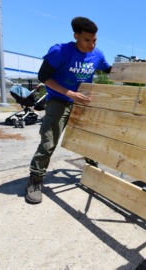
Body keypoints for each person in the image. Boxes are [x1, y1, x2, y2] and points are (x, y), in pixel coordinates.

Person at [26, 17, 112, 204]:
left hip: (82, 103)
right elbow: (43, 76)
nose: (92, 44)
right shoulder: (60, 51)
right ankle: (35, 179)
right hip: (59, 100)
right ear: (76, 36)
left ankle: (92, 170)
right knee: (49, 141)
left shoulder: (97, 55)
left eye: (94, 40)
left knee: (89, 138)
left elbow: (111, 70)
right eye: (87, 40)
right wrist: (70, 93)